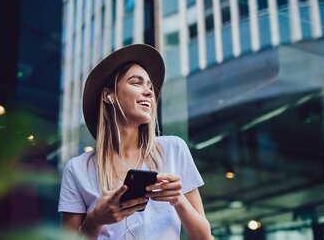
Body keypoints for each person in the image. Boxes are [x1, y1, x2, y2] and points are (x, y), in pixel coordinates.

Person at [58, 44, 211, 239]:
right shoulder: (77, 168)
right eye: (136, 82)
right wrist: (95, 219)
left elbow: (205, 237)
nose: (149, 92)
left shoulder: (173, 148)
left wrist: (178, 200)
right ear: (108, 95)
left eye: (149, 86)